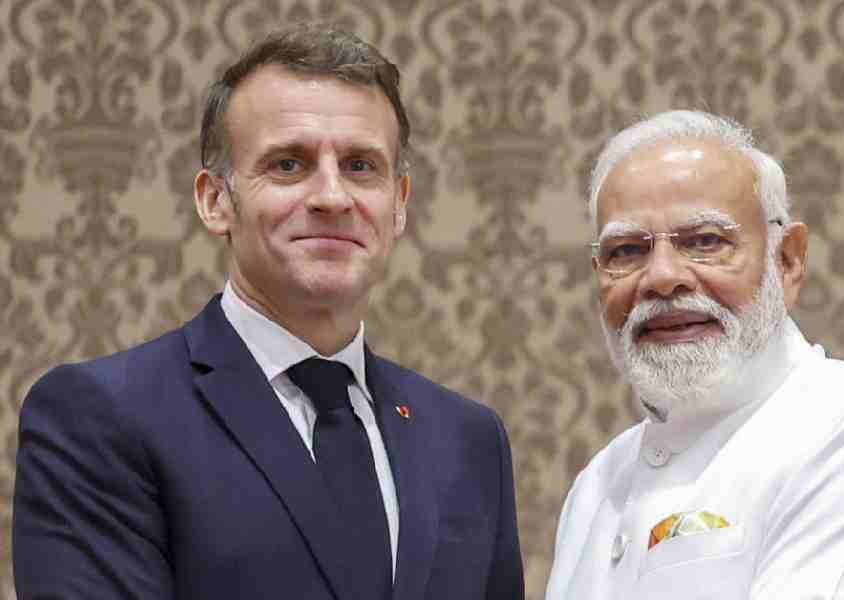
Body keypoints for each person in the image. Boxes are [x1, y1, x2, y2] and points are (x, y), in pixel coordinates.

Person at [13, 24, 524, 600]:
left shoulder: (468, 441)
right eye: (288, 165)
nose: (332, 196)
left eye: (361, 166)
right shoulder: (100, 419)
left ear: (399, 204)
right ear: (214, 201)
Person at [545, 110, 844, 599]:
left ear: (788, 259)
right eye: (626, 251)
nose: (662, 278)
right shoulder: (597, 484)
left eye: (706, 241)